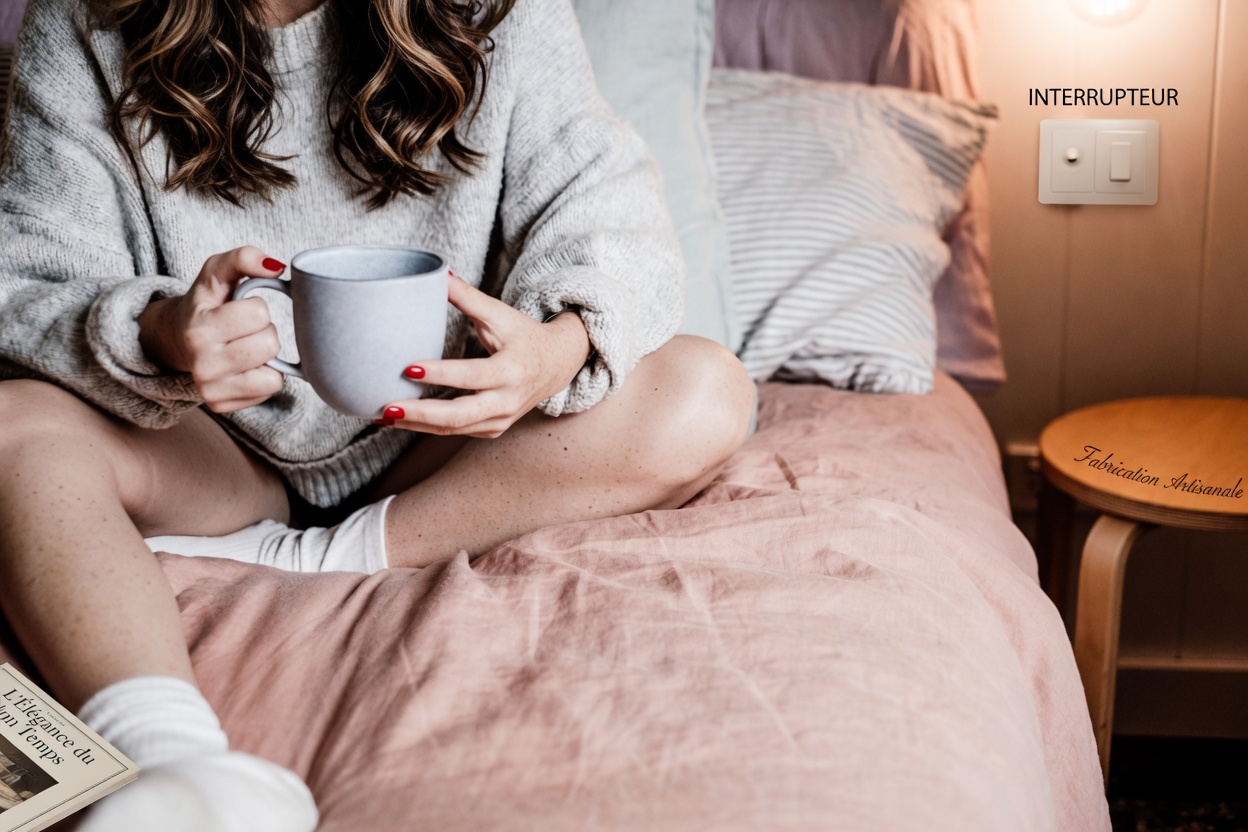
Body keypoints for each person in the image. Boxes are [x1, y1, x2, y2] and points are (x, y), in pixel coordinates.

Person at [0, 0, 756, 827]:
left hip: (441, 442)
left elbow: (609, 213)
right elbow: (30, 279)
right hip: (207, 448)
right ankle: (167, 762)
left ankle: (317, 556)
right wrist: (158, 332)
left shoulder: (508, 13)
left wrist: (555, 349)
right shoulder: (85, 20)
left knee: (705, 391)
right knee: (13, 425)